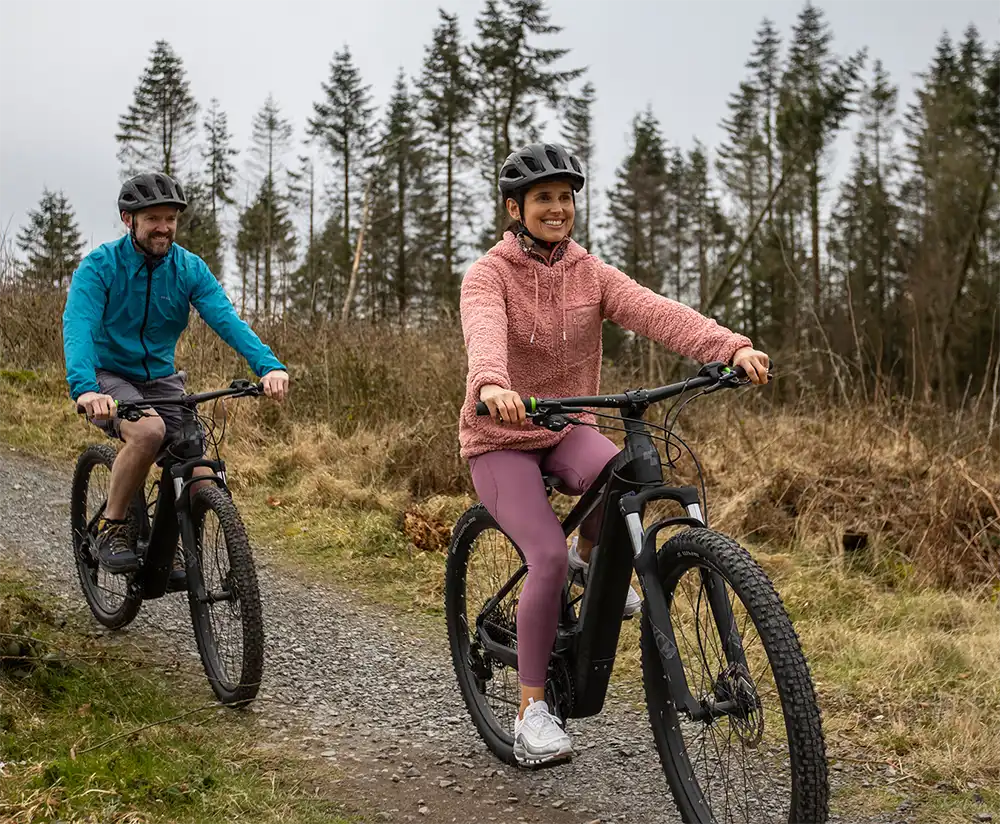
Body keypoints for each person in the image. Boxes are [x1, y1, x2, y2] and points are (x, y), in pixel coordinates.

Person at [459, 142, 770, 766]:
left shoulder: (590, 273)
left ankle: (589, 556)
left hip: (565, 426)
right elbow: (484, 331)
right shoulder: (488, 275)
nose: (557, 208)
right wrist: (492, 385)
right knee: (544, 556)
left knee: (623, 471)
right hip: (501, 436)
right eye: (543, 198)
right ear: (516, 209)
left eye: (565, 198)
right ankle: (530, 712)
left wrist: (727, 346)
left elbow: (657, 312)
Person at [62, 171, 289, 580]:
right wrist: (86, 389)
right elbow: (78, 326)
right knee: (149, 432)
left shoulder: (188, 269)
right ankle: (113, 525)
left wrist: (268, 364)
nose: (163, 227)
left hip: (162, 378)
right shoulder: (100, 267)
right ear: (128, 220)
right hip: (108, 376)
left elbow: (226, 319)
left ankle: (180, 548)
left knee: (199, 465)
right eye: (153, 218)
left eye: (170, 218)